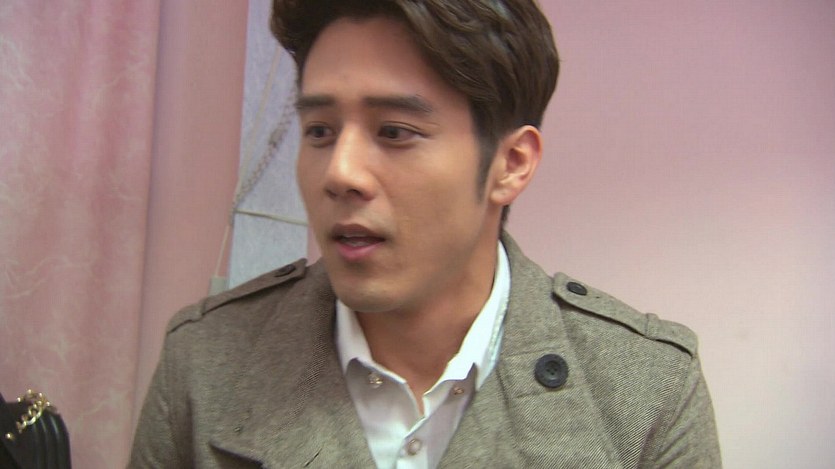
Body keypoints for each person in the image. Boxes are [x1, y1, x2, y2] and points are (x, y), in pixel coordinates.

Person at [130, 0, 721, 467]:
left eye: (394, 131)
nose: (340, 173)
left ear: (510, 164)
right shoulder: (204, 363)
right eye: (319, 131)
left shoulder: (647, 393)